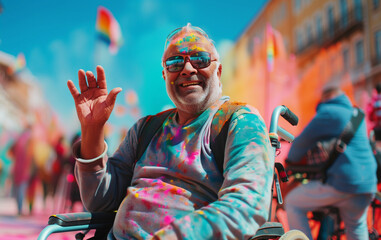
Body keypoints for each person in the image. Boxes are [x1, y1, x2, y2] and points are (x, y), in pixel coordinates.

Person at [68, 23, 274, 239]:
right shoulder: (145, 129)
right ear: (165, 76)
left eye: (200, 59)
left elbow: (245, 206)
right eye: (175, 62)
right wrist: (92, 130)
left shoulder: (239, 121)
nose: (187, 69)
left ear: (219, 71)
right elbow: (99, 199)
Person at [285, 87, 377, 240]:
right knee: (356, 227)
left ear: (325, 99)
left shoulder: (328, 112)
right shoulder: (356, 114)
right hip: (367, 185)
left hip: (344, 183)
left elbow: (299, 146)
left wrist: (290, 162)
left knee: (293, 203)